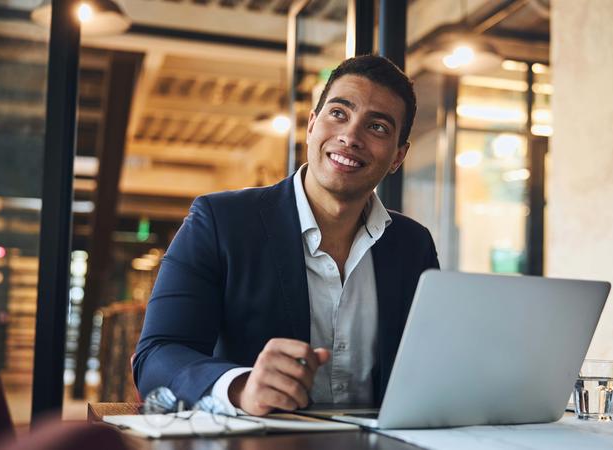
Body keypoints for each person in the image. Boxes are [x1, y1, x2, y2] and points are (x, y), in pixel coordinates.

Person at [132, 55, 439, 416]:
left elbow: (431, 364)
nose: (350, 136)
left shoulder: (413, 245)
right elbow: (156, 355)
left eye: (378, 128)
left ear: (398, 157)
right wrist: (241, 386)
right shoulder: (219, 222)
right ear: (311, 125)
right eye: (339, 113)